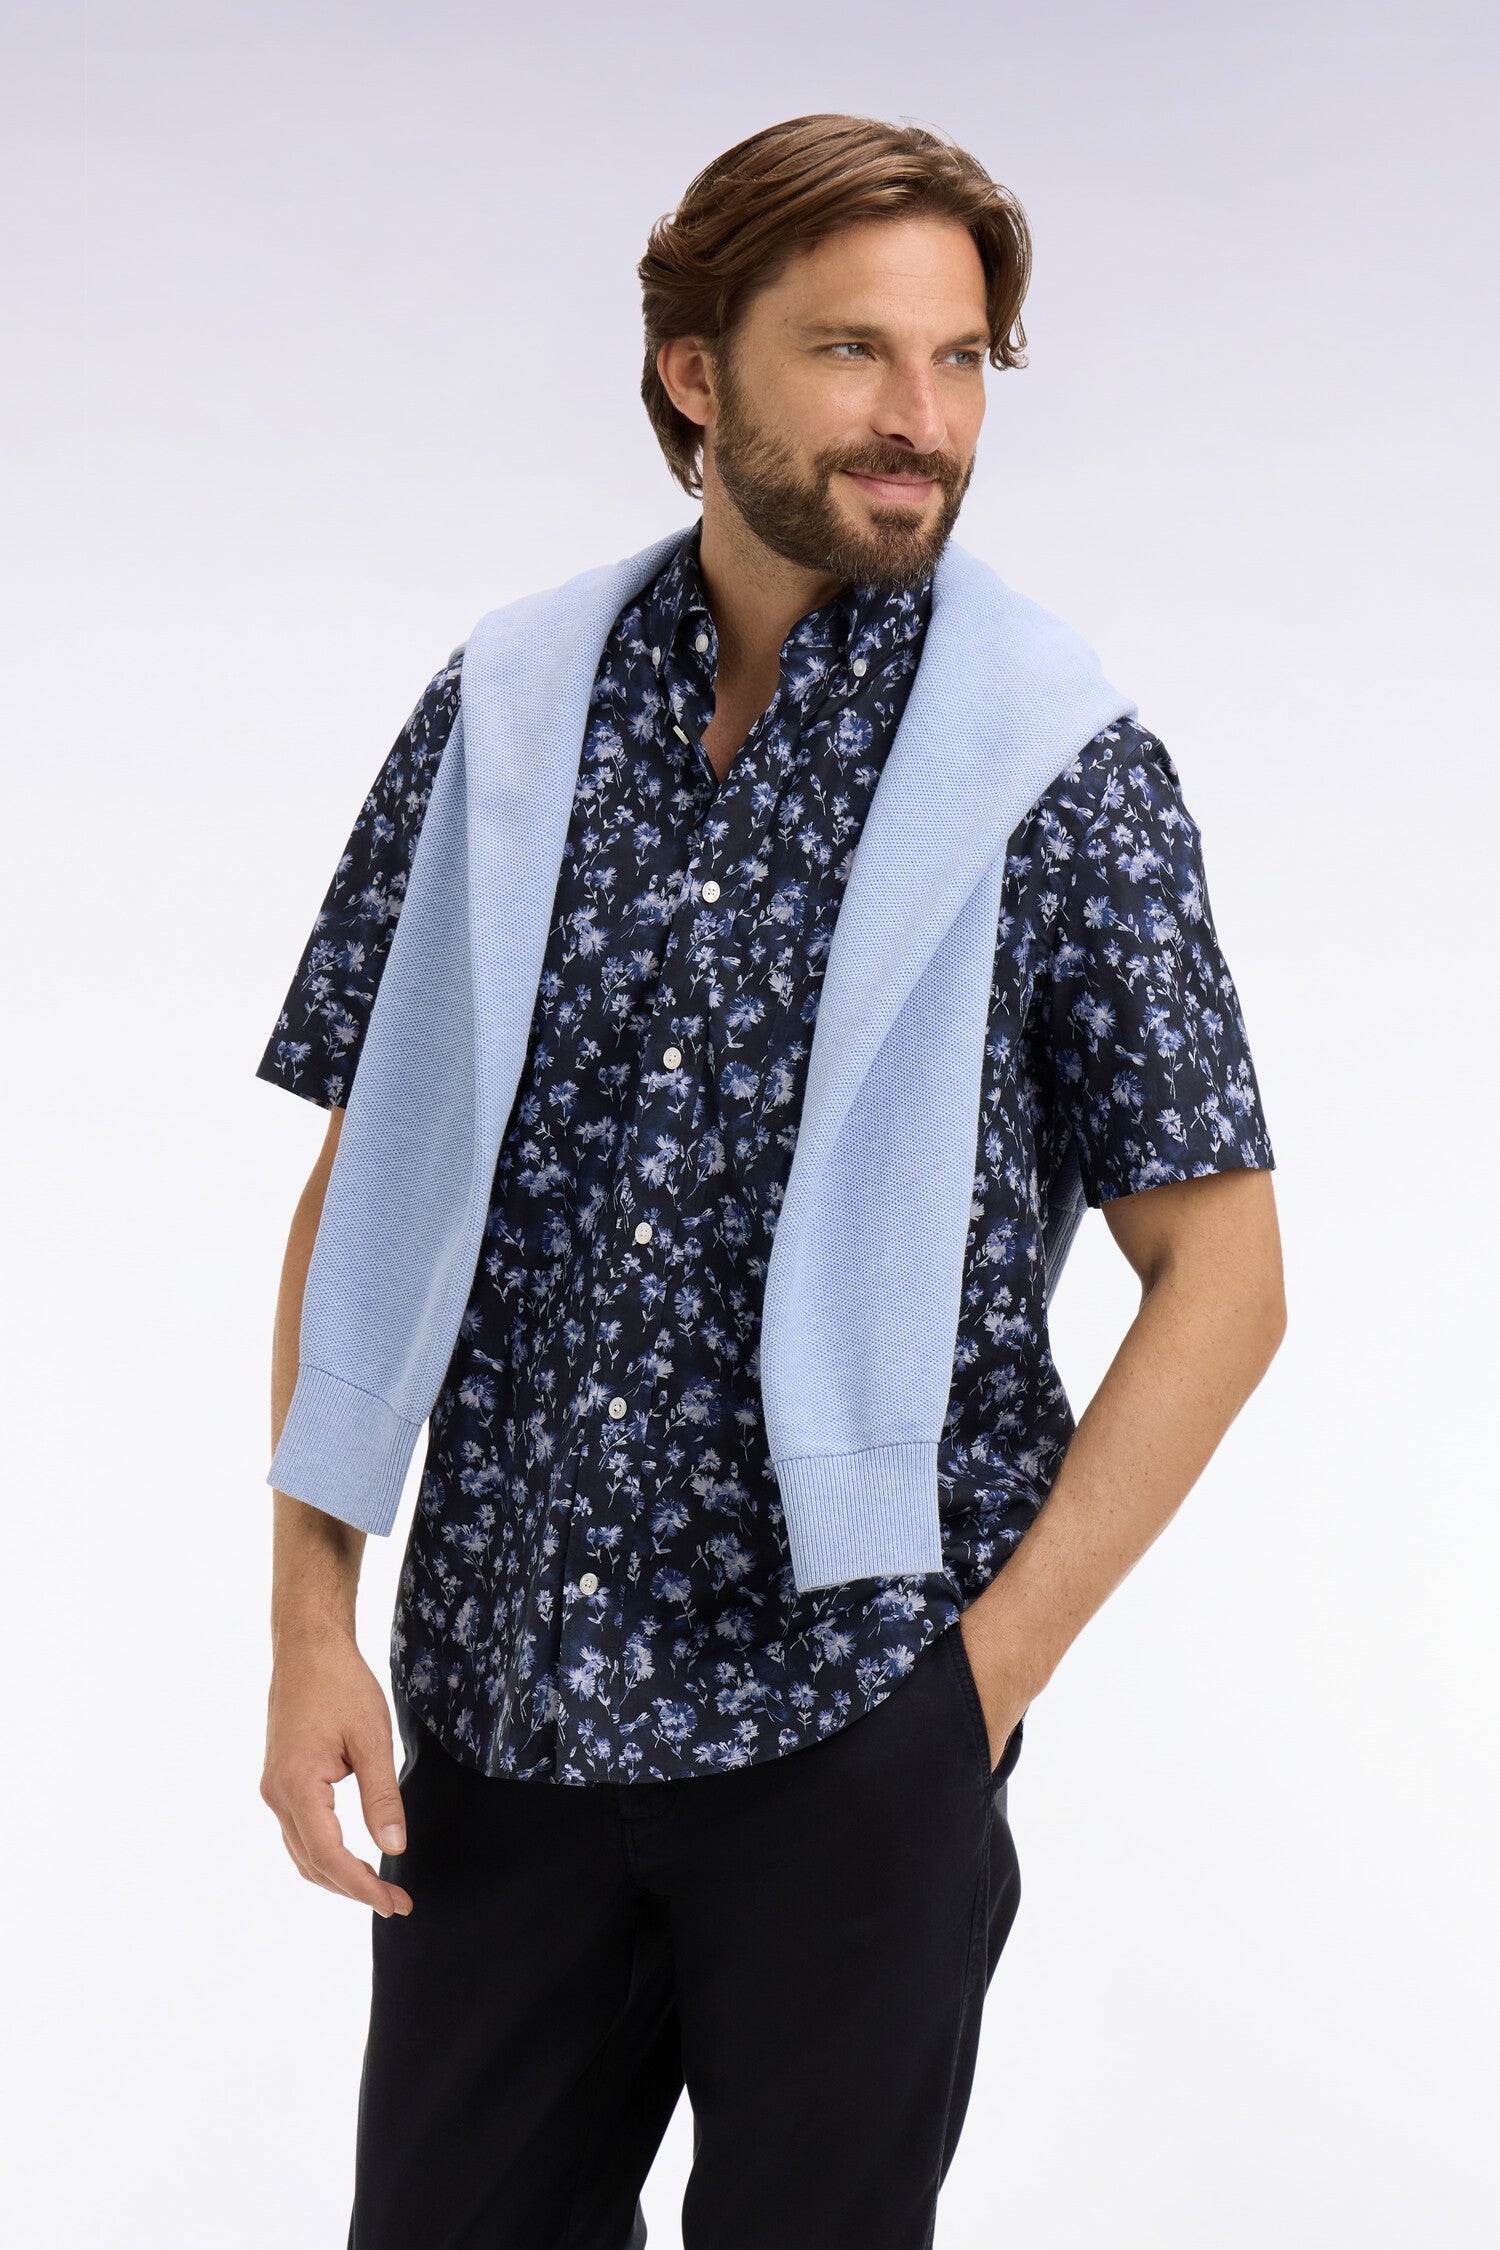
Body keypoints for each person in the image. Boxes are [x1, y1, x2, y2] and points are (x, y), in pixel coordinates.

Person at [257, 112, 1285, 2250]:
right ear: (693, 373)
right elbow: (369, 1181)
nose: (924, 418)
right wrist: (309, 1623)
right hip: (505, 1723)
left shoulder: (1057, 766)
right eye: (853, 352)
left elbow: (1227, 1273)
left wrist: (973, 1693)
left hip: (845, 1736)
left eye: (963, 360)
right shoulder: (506, 710)